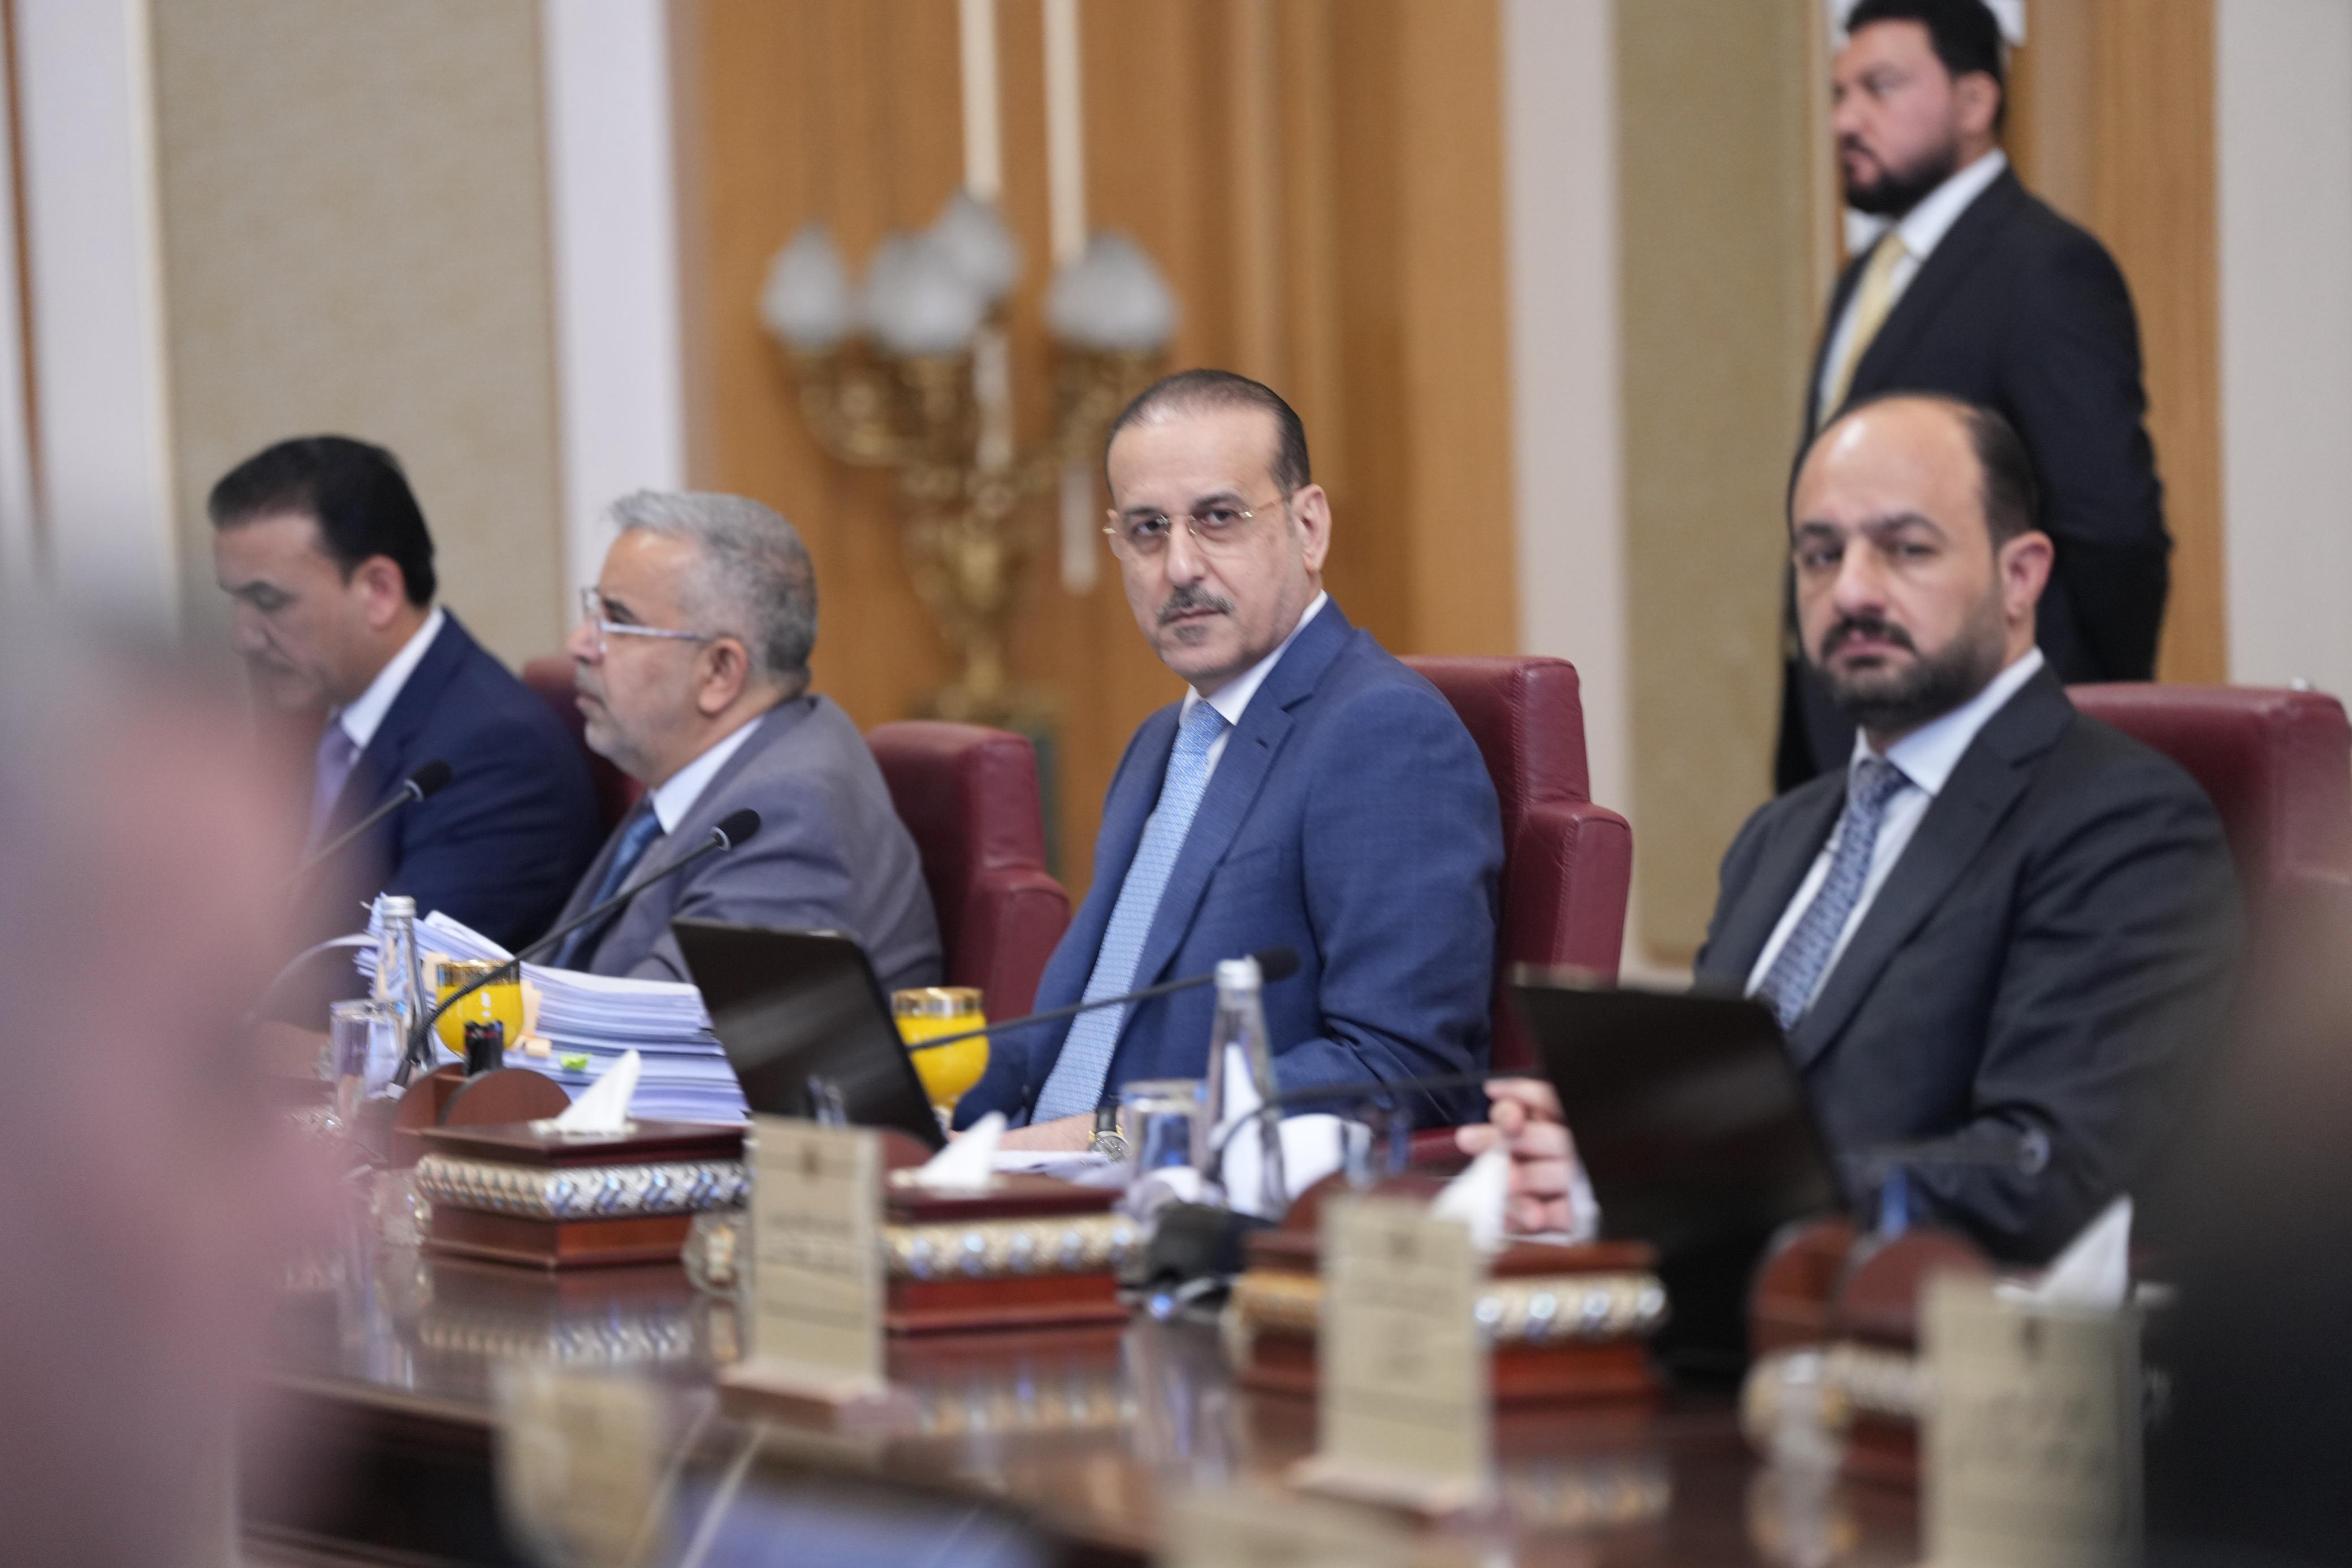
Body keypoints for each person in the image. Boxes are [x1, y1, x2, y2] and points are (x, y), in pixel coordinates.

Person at [1468, 395, 2239, 1263]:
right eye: (1821, 554)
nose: (1853, 591)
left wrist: (1663, 1174)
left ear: (2021, 575)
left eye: (1906, 549)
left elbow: (2040, 1171)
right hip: (1708, 1302)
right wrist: (1598, 1130)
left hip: (1926, 1323)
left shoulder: (2123, 824)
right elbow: (1725, 1108)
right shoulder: (1778, 837)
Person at [961, 370, 1504, 1149]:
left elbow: (1397, 1067)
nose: (1179, 566)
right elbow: (1085, 1031)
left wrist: (1104, 1137)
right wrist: (917, 1102)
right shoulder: (1160, 741)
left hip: (1184, 1202)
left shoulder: (1383, 731)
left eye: (1218, 518)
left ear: (1309, 528)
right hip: (1036, 1179)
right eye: (1147, 529)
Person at [1777, 0, 2169, 791]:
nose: (1845, 120)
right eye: (1838, 94)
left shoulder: (2044, 267)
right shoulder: (1866, 278)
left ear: (1974, 101)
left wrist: (2081, 724)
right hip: (1850, 739)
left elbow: (2114, 530)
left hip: (2003, 760)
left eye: (1880, 88)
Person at [211, 436, 604, 960]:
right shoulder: (325, 713)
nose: (243, 637)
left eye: (268, 601)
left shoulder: (497, 754)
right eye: (236, 601)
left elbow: (386, 980)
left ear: (379, 591)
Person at [548, 490, 941, 989]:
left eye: (618, 622)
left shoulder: (787, 810)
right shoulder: (706, 773)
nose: (579, 644)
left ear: (719, 671)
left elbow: (665, 1021)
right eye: (593, 612)